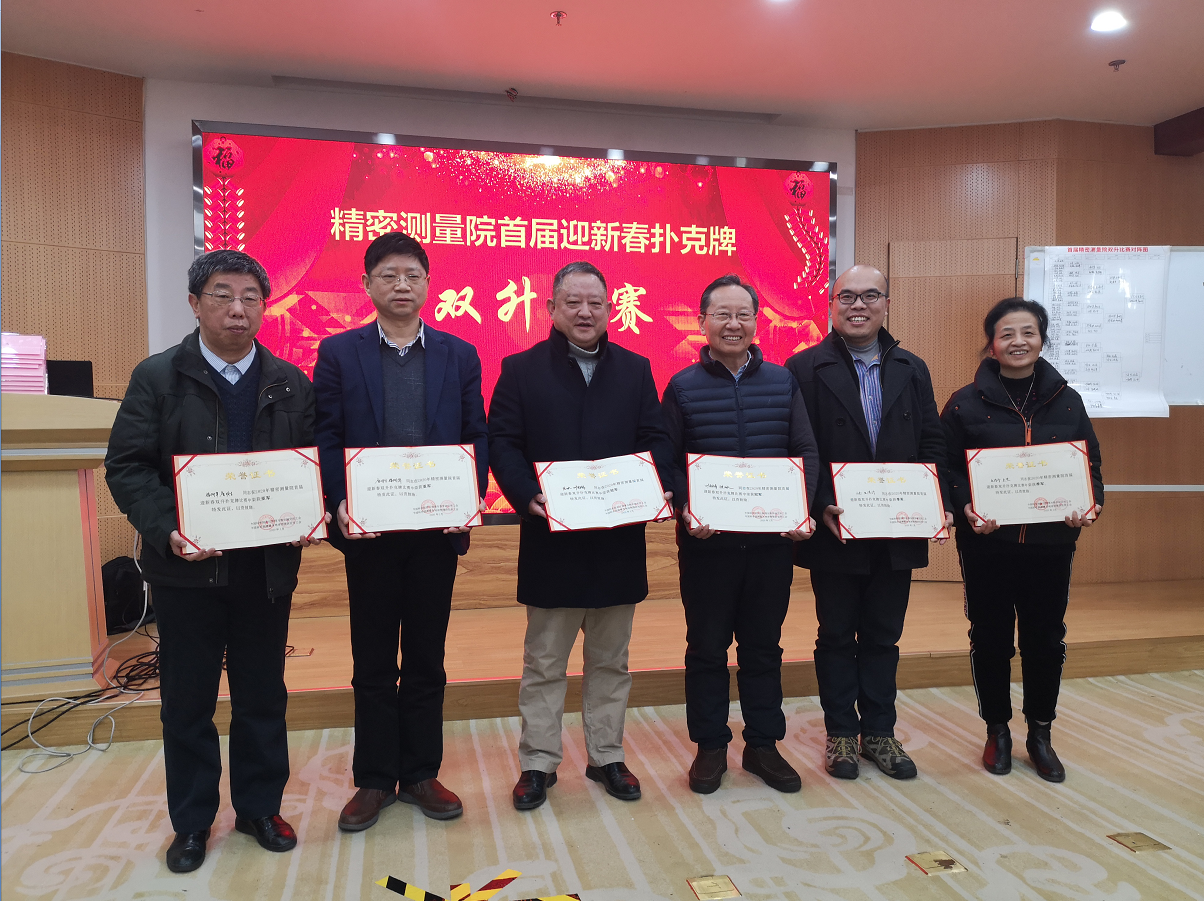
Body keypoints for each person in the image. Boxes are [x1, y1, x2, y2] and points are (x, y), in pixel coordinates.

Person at [105, 250, 327, 873]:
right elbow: (127, 466)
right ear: (195, 303)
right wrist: (167, 528)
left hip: (264, 572)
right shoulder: (158, 376)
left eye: (251, 297)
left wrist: (309, 513)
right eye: (223, 295)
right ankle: (193, 822)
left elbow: (311, 463)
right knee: (187, 702)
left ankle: (260, 809)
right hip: (187, 570)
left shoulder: (291, 381)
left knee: (263, 695)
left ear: (264, 306)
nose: (238, 308)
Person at [313, 232, 489, 830]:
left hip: (435, 532)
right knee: (371, 659)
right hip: (370, 534)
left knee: (425, 657)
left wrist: (467, 496)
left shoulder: (459, 354)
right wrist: (338, 500)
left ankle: (418, 772)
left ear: (428, 284)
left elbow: (476, 434)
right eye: (388, 275)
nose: (401, 285)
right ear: (367, 284)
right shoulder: (340, 353)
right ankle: (372, 778)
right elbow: (327, 435)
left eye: (412, 275)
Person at [488, 260, 674, 811]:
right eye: (573, 302)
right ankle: (538, 763)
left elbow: (656, 439)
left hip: (618, 541)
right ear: (551, 309)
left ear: (611, 309)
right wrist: (527, 495)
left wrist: (651, 485)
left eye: (595, 303)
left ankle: (607, 755)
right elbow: (503, 442)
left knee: (611, 661)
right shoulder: (520, 369)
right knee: (545, 662)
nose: (585, 312)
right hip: (552, 541)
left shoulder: (636, 369)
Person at [785, 264, 953, 782]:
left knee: (883, 634)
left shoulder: (912, 367)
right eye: (847, 297)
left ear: (886, 304)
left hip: (896, 526)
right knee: (836, 633)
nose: (858, 306)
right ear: (831, 305)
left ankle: (879, 731)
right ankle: (840, 733)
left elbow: (932, 442)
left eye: (870, 296)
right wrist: (819, 503)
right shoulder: (803, 367)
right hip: (836, 526)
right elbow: (797, 447)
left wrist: (935, 499)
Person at [661, 275, 820, 794]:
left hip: (770, 545)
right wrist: (685, 508)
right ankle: (710, 746)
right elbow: (668, 460)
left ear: (756, 321)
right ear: (702, 321)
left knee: (763, 647)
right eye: (722, 315)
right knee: (706, 648)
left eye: (743, 315)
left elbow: (805, 450)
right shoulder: (682, 386)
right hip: (708, 545)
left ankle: (762, 745)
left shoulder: (782, 381)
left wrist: (800, 507)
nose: (733, 324)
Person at [941, 297, 1103, 782]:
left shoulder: (1068, 400)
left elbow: (1090, 464)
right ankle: (997, 730)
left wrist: (1090, 502)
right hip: (987, 544)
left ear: (1042, 339)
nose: (1018, 341)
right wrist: (964, 506)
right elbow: (946, 468)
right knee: (990, 637)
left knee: (1046, 639)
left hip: (1051, 543)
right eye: (1007, 333)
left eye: (1028, 332)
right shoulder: (964, 402)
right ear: (991, 343)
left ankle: (1040, 733)